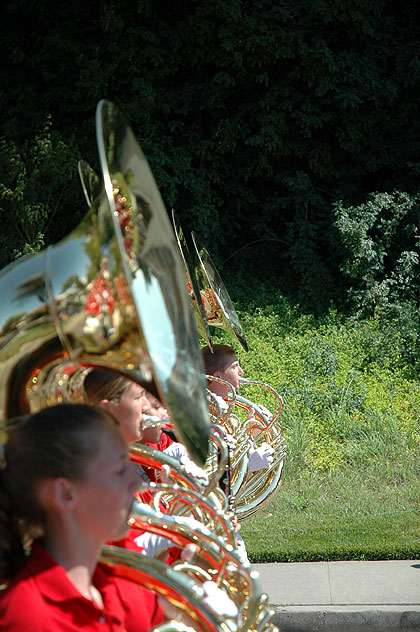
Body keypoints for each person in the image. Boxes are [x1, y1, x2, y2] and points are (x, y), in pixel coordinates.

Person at [0, 404, 164, 632]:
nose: (136, 483)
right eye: (118, 470)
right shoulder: (27, 617)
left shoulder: (108, 578)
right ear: (66, 494)